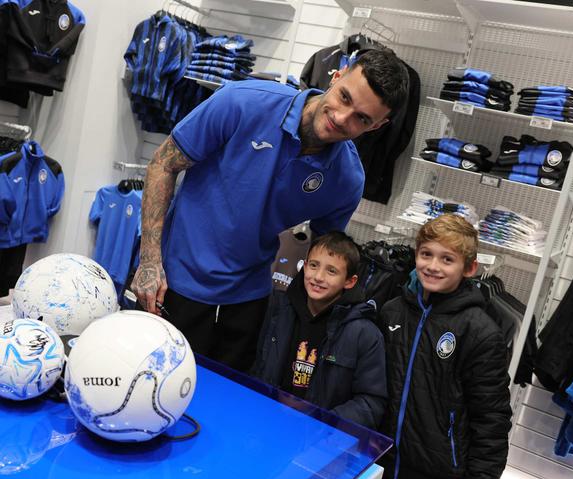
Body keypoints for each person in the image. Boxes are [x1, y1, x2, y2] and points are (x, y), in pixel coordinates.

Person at [131, 49, 409, 372]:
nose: (341, 118)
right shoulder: (243, 101)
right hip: (174, 284)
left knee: (224, 409)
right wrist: (149, 261)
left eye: (361, 118)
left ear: (377, 126)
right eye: (345, 97)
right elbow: (163, 164)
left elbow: (325, 252)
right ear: (337, 75)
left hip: (249, 302)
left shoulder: (347, 180)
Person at [379, 214, 512, 479]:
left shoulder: (480, 332)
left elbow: (491, 419)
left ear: (469, 268)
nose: (432, 266)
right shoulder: (392, 312)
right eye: (426, 254)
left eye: (447, 259)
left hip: (439, 468)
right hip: (382, 455)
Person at [252, 231, 386, 429]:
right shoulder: (277, 310)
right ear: (304, 266)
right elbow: (253, 365)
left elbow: (371, 403)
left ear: (350, 281)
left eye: (332, 271)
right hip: (265, 424)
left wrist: (324, 423)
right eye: (314, 266)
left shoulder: (364, 334)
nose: (318, 277)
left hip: (318, 440)